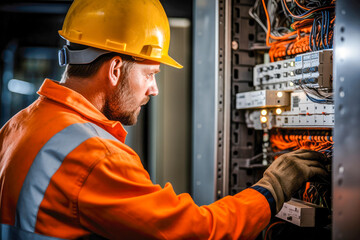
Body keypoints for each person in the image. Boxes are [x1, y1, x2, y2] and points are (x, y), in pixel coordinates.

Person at [0, 0, 327, 239]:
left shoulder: (19, 125)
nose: (153, 89)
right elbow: (197, 233)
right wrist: (272, 189)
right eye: (151, 74)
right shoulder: (94, 157)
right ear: (115, 70)